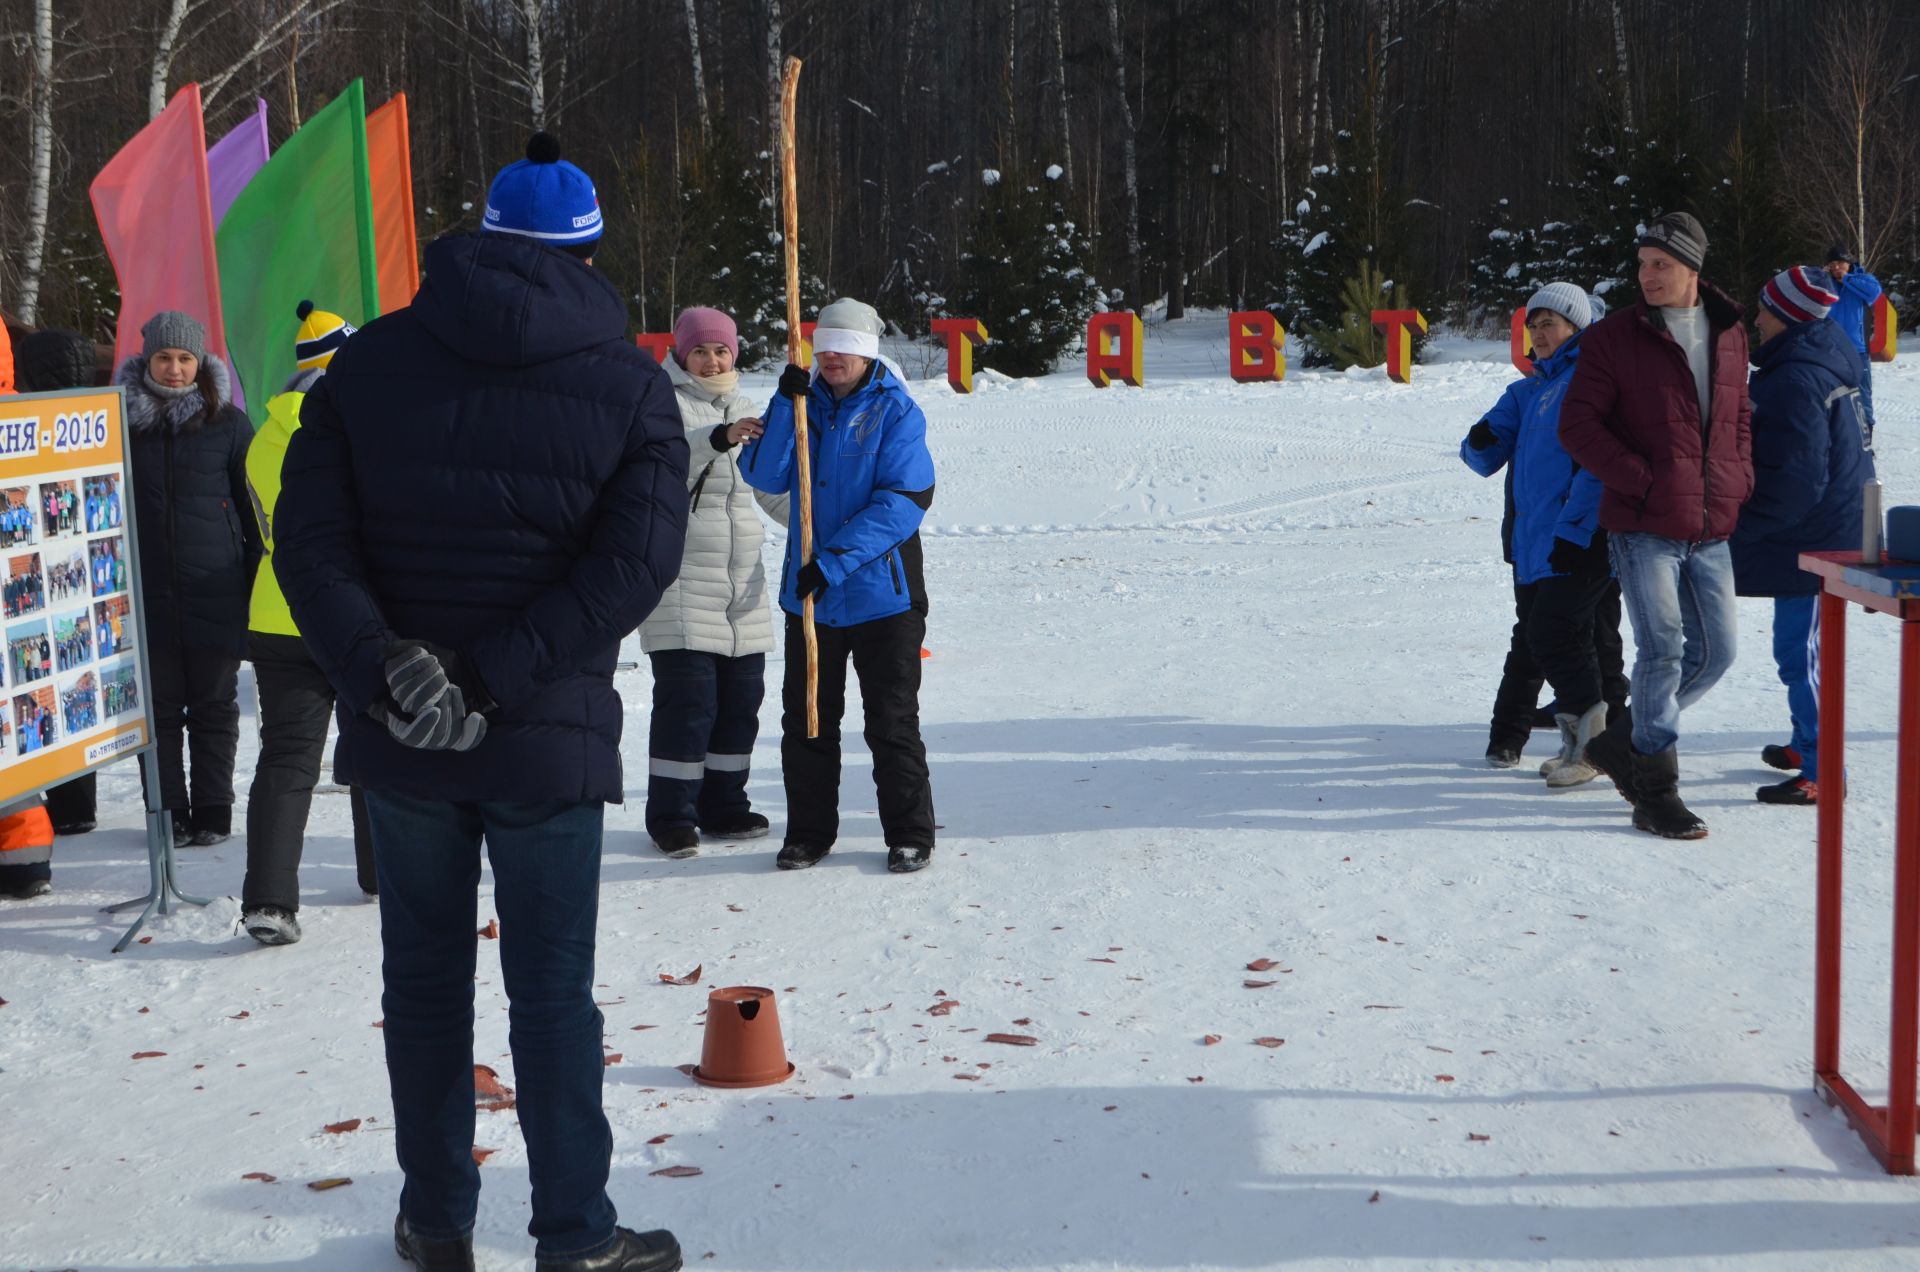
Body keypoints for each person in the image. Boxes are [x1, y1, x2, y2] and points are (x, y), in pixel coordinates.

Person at [275, 132, 689, 1272]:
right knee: (551, 993)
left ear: (483, 233)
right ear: (589, 251)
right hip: (540, 734)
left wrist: (388, 668)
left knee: (423, 986)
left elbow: (308, 543)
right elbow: (636, 563)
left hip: (408, 738)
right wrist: (492, 675)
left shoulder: (366, 364)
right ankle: (574, 1234)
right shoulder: (628, 382)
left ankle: (439, 1219)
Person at [1560, 210, 1753, 839]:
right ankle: (1655, 791)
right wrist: (1641, 479)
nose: (1646, 275)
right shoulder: (1615, 336)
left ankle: (1623, 744)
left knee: (1717, 653)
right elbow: (1578, 427)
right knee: (1663, 650)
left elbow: (1739, 417)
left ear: (1692, 268)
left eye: (1660, 264)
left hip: (1711, 522)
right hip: (1643, 524)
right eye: (1642, 264)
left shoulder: (1729, 332)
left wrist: (1738, 476)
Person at [740, 298, 938, 874]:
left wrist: (832, 563)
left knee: (891, 720)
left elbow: (904, 502)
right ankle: (808, 834)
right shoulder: (802, 402)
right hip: (812, 600)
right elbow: (764, 473)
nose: (831, 357)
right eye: (823, 348)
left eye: (843, 349)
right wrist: (784, 401)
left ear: (866, 353)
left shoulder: (897, 412)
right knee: (807, 720)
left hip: (883, 596)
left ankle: (910, 834)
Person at [237, 301, 379, 947]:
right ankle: (382, 872)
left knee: (287, 758)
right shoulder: (349, 428)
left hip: (276, 610)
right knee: (372, 745)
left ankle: (269, 900)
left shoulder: (265, 434)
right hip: (350, 610)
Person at [1461, 282, 1629, 786]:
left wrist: (1576, 531)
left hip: (1581, 538)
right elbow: (1481, 458)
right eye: (1532, 325)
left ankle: (1593, 749)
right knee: (1554, 636)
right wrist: (1480, 438)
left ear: (1576, 328)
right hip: (1531, 543)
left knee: (1556, 636)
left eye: (1549, 323)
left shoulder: (1593, 381)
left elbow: (1598, 467)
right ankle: (1542, 741)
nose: (1538, 334)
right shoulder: (1526, 391)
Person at [638, 306, 788, 858]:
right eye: (700, 350)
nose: (711, 359)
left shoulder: (747, 405)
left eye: (721, 349)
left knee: (740, 700)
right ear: (680, 353)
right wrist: (717, 438)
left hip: (740, 587)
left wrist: (820, 520)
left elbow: (768, 489)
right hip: (680, 581)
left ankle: (724, 804)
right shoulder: (658, 402)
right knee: (688, 702)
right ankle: (671, 815)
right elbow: (658, 467)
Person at [117, 311, 260, 848]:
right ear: (146, 358)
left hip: (215, 590)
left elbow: (253, 515)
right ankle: (168, 810)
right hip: (145, 594)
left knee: (214, 707)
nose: (174, 369)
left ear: (199, 363)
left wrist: (251, 588)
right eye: (164, 357)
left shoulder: (228, 423)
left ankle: (214, 810)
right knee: (157, 713)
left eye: (184, 358)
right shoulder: (121, 423)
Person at [1732, 266, 1874, 806]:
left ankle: (1822, 767)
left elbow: (1795, 480)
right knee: (1797, 649)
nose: (1757, 317)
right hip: (1821, 528)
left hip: (1820, 537)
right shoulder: (1814, 355)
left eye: (1764, 308)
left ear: (1789, 315)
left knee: (1802, 653)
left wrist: (1739, 526)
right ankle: (1805, 742)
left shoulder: (1797, 378)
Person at [14, 330, 103, 834]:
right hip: (82, 576)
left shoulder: (23, 420)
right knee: (73, 685)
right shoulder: (95, 422)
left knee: (39, 686)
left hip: (36, 574)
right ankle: (77, 806)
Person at [1824, 244, 1882, 434]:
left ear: (1849, 263)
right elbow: (1808, 288)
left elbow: (1874, 292)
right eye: (1832, 264)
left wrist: (1846, 278)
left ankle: (1867, 432)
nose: (1836, 267)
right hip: (1831, 349)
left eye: (1840, 262)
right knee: (1831, 392)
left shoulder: (1862, 279)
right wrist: (1822, 274)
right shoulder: (1826, 282)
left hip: (1858, 349)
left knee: (1863, 393)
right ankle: (1837, 433)